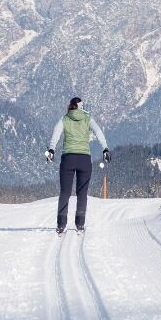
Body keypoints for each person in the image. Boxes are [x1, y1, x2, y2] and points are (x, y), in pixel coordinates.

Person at [46, 97, 110, 234]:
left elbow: (56, 133)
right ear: (81, 106)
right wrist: (105, 149)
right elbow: (98, 132)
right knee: (82, 193)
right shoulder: (88, 118)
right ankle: (80, 223)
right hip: (84, 159)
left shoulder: (64, 119)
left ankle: (61, 224)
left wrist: (51, 149)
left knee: (65, 192)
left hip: (68, 158)